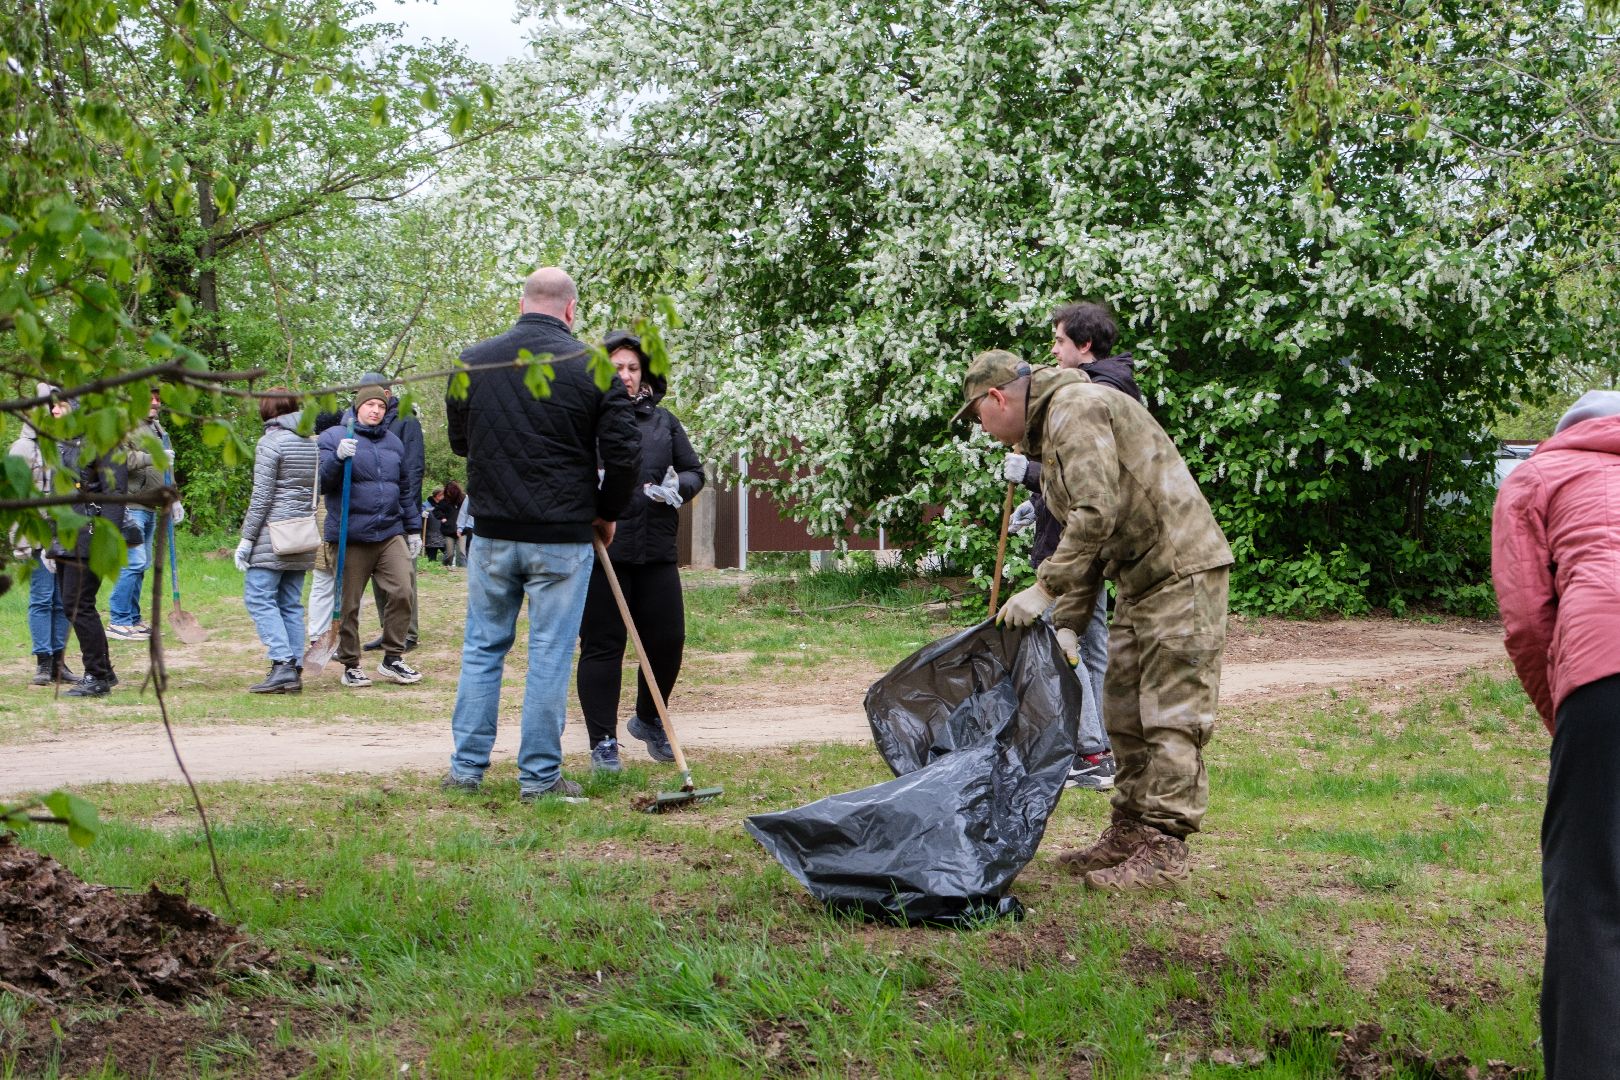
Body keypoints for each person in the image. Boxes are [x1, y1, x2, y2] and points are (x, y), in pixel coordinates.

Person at [956, 349, 1232, 891]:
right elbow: (1080, 535)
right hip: (1138, 579)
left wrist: (1043, 589)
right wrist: (1069, 622)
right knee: (1124, 713)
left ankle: (1164, 848)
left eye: (977, 418)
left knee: (1170, 713)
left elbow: (1095, 511)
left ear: (997, 398)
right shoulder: (1052, 432)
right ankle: (1130, 831)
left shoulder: (1074, 408)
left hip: (1181, 571)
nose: (981, 431)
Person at [444, 267, 640, 802]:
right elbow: (623, 454)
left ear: (522, 303)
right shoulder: (593, 367)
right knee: (550, 653)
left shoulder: (474, 360)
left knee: (483, 648)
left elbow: (461, 444)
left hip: (493, 531)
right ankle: (539, 779)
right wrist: (607, 511)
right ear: (571, 310)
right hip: (561, 534)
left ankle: (466, 771)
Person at [1491, 390, 1620, 1077]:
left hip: (1608, 669)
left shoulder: (1538, 476)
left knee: (1592, 897)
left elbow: (1529, 622)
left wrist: (1564, 717)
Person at [1002, 301, 1143, 791]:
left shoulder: (1092, 395)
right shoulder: (1098, 388)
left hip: (1076, 552)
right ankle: (1100, 750)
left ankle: (1089, 749)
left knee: (1061, 642)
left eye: (1060, 340)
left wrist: (1032, 473)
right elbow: (1077, 483)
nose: (1053, 350)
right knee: (1090, 648)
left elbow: (1095, 490)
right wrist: (1038, 503)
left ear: (1085, 345)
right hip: (1070, 540)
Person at [576, 329, 706, 772]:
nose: (626, 376)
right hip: (604, 553)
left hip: (656, 550)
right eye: (617, 369)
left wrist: (679, 487)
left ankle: (649, 718)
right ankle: (603, 742)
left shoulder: (663, 422)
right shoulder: (585, 421)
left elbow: (694, 471)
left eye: (633, 369)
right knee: (603, 647)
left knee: (668, 642)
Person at [316, 384, 422, 688]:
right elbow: (322, 483)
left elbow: (403, 490)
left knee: (403, 591)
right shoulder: (334, 437)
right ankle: (350, 662)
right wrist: (337, 458)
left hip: (389, 532)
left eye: (380, 406)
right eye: (370, 405)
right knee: (349, 604)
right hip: (350, 534)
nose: (375, 411)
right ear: (358, 406)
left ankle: (393, 658)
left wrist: (413, 528)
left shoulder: (393, 443)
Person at [48, 422, 144, 698]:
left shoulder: (103, 444)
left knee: (79, 605)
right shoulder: (61, 443)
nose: (53, 411)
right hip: (67, 538)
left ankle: (97, 676)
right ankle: (103, 671)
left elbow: (114, 496)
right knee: (74, 605)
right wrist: (50, 544)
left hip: (91, 538)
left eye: (60, 405)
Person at [234, 389, 318, 694]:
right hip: (303, 533)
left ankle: (282, 662)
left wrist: (246, 538)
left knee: (258, 597)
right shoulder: (312, 442)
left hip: (274, 533)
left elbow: (262, 497)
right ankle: (293, 667)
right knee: (290, 602)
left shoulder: (270, 442)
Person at [354, 373, 425, 653]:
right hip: (372, 514)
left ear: (388, 391)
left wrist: (409, 516)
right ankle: (388, 631)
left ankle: (408, 633)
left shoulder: (406, 420)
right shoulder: (365, 425)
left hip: (400, 511)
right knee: (378, 576)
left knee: (402, 577)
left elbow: (414, 469)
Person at [10, 388, 75, 686]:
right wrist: (19, 541)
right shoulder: (22, 449)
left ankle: (60, 662)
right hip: (37, 534)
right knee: (42, 597)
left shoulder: (66, 444)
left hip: (65, 533)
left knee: (64, 599)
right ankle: (43, 662)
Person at [106, 389, 181, 641]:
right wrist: (152, 456)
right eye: (149, 398)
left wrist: (175, 498)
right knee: (133, 563)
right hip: (129, 504)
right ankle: (117, 620)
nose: (154, 403)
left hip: (150, 505)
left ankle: (133, 619)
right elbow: (118, 459)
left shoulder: (158, 430)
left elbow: (166, 469)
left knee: (142, 565)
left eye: (158, 399)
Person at [433, 480, 465, 567]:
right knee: (449, 554)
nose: (448, 493)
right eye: (447, 491)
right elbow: (436, 511)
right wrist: (442, 518)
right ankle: (446, 568)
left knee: (462, 553)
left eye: (450, 491)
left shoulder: (464, 500)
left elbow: (469, 512)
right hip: (448, 531)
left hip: (462, 531)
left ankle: (462, 571)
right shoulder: (444, 501)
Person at [423, 488, 447, 564]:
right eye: (443, 495)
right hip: (431, 536)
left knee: (449, 554)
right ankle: (432, 571)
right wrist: (422, 513)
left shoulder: (444, 504)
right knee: (432, 559)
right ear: (438, 495)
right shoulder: (425, 505)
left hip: (443, 534)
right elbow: (420, 511)